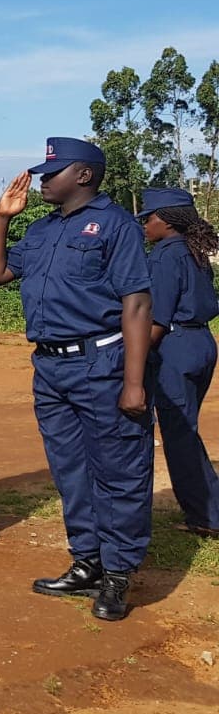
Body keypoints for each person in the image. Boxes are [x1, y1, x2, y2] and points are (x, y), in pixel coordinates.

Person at [0, 138, 153, 621]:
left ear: (84, 175)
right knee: (71, 471)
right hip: (51, 368)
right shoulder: (40, 230)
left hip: (102, 362)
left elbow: (137, 304)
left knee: (118, 470)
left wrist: (134, 382)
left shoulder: (115, 225)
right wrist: (2, 218)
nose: (41, 180)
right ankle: (88, 562)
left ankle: (118, 574)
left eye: (51, 172)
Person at [139, 188, 219, 538]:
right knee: (185, 429)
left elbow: (157, 319)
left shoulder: (165, 256)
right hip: (202, 341)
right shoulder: (194, 250)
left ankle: (208, 515)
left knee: (179, 434)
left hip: (175, 346)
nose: (145, 225)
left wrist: (135, 362)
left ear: (167, 221)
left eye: (149, 218)